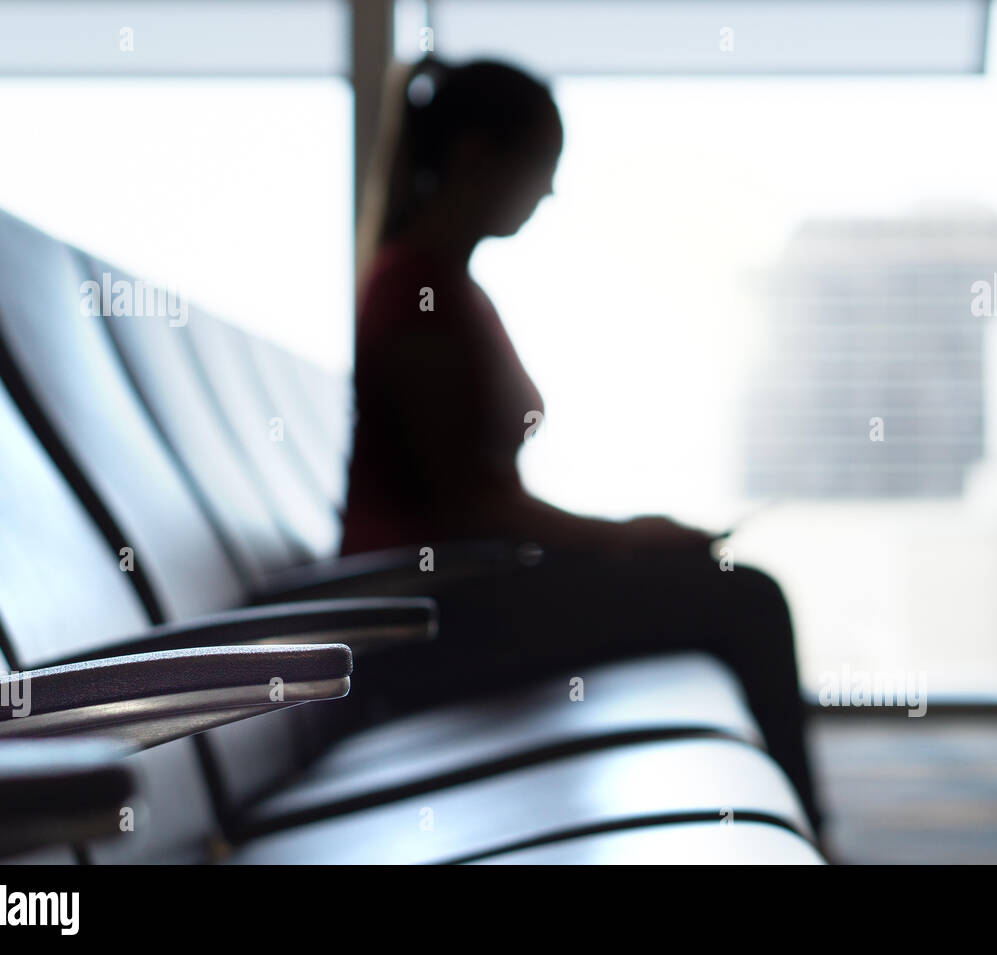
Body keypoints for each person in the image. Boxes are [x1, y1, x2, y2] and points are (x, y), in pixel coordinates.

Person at [341, 57, 824, 837]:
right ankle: (813, 835)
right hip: (436, 621)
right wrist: (630, 539)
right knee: (746, 599)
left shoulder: (441, 285)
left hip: (458, 596)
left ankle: (791, 826)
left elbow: (478, 504)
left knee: (723, 588)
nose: (549, 192)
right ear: (475, 158)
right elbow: (474, 510)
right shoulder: (416, 291)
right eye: (542, 166)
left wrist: (631, 541)